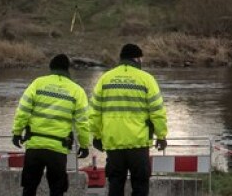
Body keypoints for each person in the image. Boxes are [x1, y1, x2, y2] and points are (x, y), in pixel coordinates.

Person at [90, 43, 168, 196]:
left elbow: (94, 112)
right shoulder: (147, 79)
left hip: (113, 143)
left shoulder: (105, 79)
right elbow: (157, 111)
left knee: (115, 183)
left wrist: (97, 136)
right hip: (138, 143)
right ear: (137, 59)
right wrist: (161, 135)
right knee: (140, 184)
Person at [11, 54, 91, 196]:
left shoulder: (38, 84)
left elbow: (22, 110)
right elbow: (83, 122)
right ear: (68, 69)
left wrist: (17, 132)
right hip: (58, 149)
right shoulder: (76, 91)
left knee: (29, 188)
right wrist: (84, 145)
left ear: (51, 67)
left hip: (35, 146)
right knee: (57, 189)